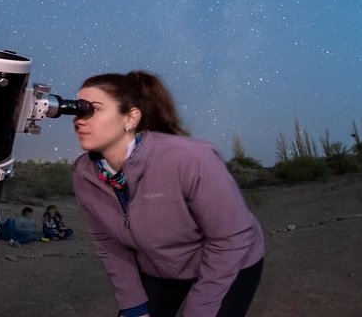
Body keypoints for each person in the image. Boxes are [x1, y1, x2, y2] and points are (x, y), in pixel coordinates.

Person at [72, 71, 264, 317]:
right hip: (161, 268)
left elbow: (230, 239)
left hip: (230, 262)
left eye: (93, 109)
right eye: (77, 111)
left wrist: (199, 311)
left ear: (130, 118)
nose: (79, 120)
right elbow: (107, 242)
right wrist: (133, 305)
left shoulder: (191, 158)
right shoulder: (84, 175)